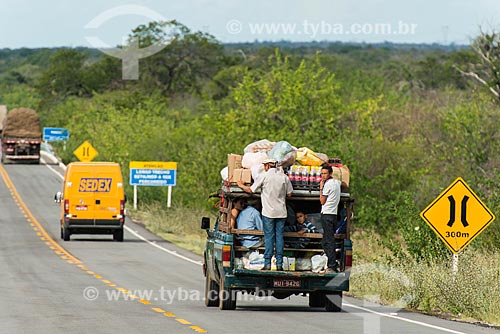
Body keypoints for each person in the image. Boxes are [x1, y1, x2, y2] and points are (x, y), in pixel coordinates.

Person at [237, 158, 293, 271]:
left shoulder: (264, 176)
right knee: (279, 237)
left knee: (269, 238)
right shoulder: (284, 177)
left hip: (268, 213)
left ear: (267, 166)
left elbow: (251, 190)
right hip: (281, 212)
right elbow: (290, 194)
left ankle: (267, 264)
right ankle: (279, 264)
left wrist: (240, 185)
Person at [319, 164, 342, 273]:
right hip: (334, 215)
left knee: (329, 241)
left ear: (330, 174)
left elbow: (322, 201)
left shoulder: (327, 185)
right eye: (322, 173)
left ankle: (332, 264)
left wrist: (320, 187)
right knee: (325, 241)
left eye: (325, 173)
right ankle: (333, 260)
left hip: (327, 214)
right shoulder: (337, 183)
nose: (323, 176)